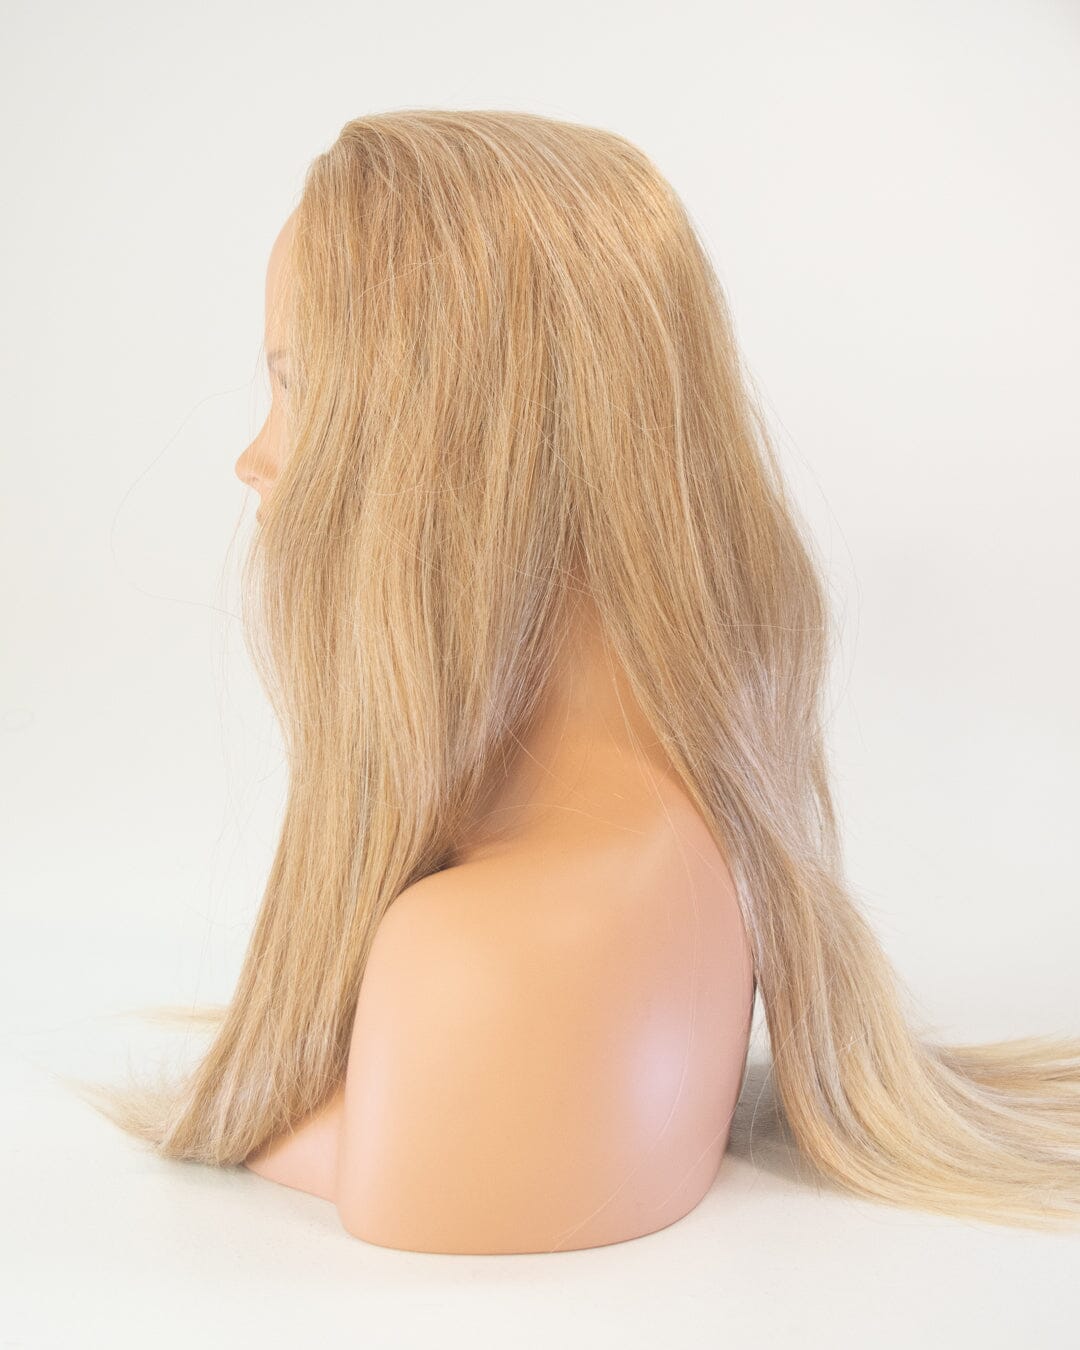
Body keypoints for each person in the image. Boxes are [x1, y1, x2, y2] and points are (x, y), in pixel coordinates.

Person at [75, 109, 1080, 1253]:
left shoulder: (489, 960)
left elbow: (416, 1191)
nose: (256, 457)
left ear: (451, 448)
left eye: (300, 388)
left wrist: (291, 1120)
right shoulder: (678, 852)